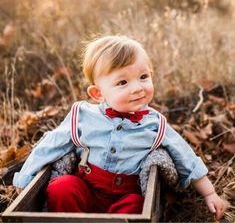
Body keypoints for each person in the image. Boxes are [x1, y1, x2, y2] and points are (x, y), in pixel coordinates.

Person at [13, 35, 227, 219]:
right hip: (86, 187)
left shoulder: (155, 124)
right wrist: (25, 176)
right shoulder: (82, 115)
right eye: (122, 82)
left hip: (124, 196)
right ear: (98, 93)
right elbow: (51, 144)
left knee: (136, 206)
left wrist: (209, 193)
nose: (137, 88)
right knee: (62, 187)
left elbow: (184, 156)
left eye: (143, 77)